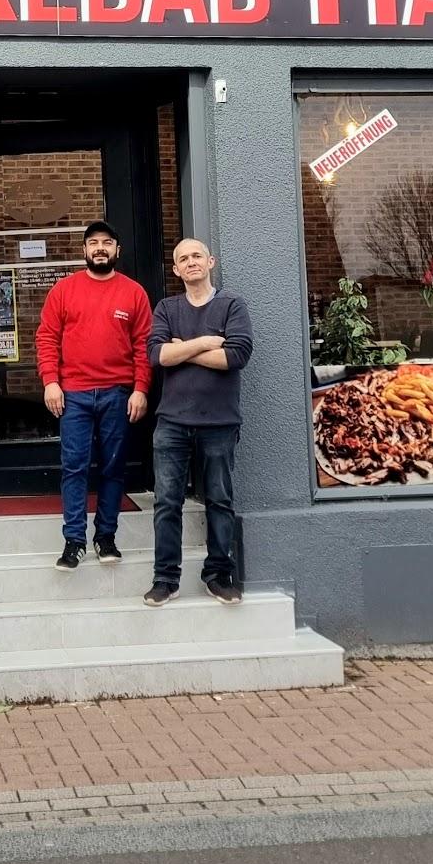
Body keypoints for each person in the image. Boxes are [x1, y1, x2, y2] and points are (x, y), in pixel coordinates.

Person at [36, 219, 152, 571]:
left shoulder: (134, 292)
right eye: (93, 243)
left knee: (113, 467)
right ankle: (74, 541)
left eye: (106, 242)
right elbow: (46, 338)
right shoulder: (64, 290)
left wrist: (141, 389)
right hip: (74, 395)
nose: (99, 248)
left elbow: (143, 345)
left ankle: (106, 537)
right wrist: (50, 381)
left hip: (118, 394)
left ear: (117, 250)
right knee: (74, 467)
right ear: (84, 250)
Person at [144, 238, 253, 607]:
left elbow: (236, 355)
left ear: (210, 261)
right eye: (182, 259)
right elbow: (157, 355)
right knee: (166, 502)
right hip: (172, 422)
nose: (190, 263)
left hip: (220, 422)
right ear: (176, 269)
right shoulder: (167, 307)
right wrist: (207, 341)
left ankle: (219, 575)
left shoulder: (231, 305)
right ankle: (165, 579)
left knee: (219, 500)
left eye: (196, 256)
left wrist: (183, 349)